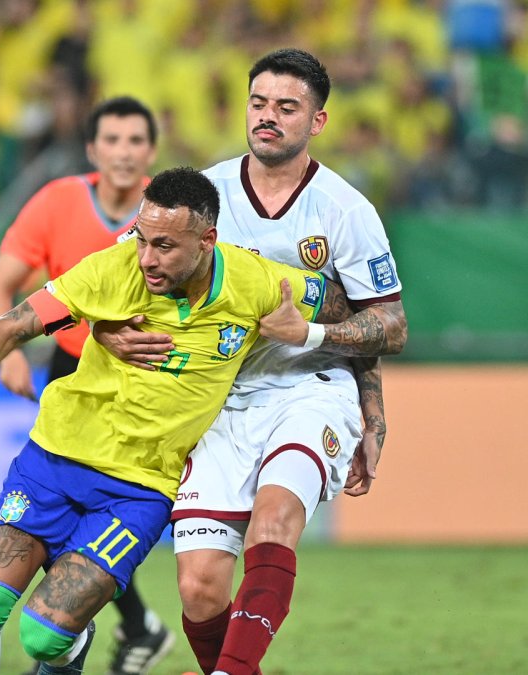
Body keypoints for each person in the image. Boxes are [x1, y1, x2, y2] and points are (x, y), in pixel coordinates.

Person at [0, 167, 353, 675]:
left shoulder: (254, 281)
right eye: (143, 239)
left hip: (138, 490)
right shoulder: (114, 268)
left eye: (165, 246)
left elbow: (342, 301)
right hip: (52, 460)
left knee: (43, 636)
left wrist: (304, 331)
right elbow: (13, 323)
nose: (147, 257)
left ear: (207, 240)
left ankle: (72, 646)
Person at [92, 49, 408, 675]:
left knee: (274, 519)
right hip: (214, 397)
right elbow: (116, 278)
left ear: (317, 120)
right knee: (200, 587)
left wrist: (325, 350)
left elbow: (391, 323)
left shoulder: (345, 211)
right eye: (259, 103)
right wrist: (105, 331)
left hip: (308, 386)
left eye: (287, 108)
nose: (268, 118)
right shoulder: (199, 196)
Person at [0, 95, 175, 675]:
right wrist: (8, 352)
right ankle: (128, 629)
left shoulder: (167, 213)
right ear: (92, 150)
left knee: (107, 515)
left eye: (135, 141)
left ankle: (115, 630)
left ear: (151, 152)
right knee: (59, 510)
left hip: (154, 380)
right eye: (111, 140)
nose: (123, 151)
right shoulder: (58, 200)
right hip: (74, 373)